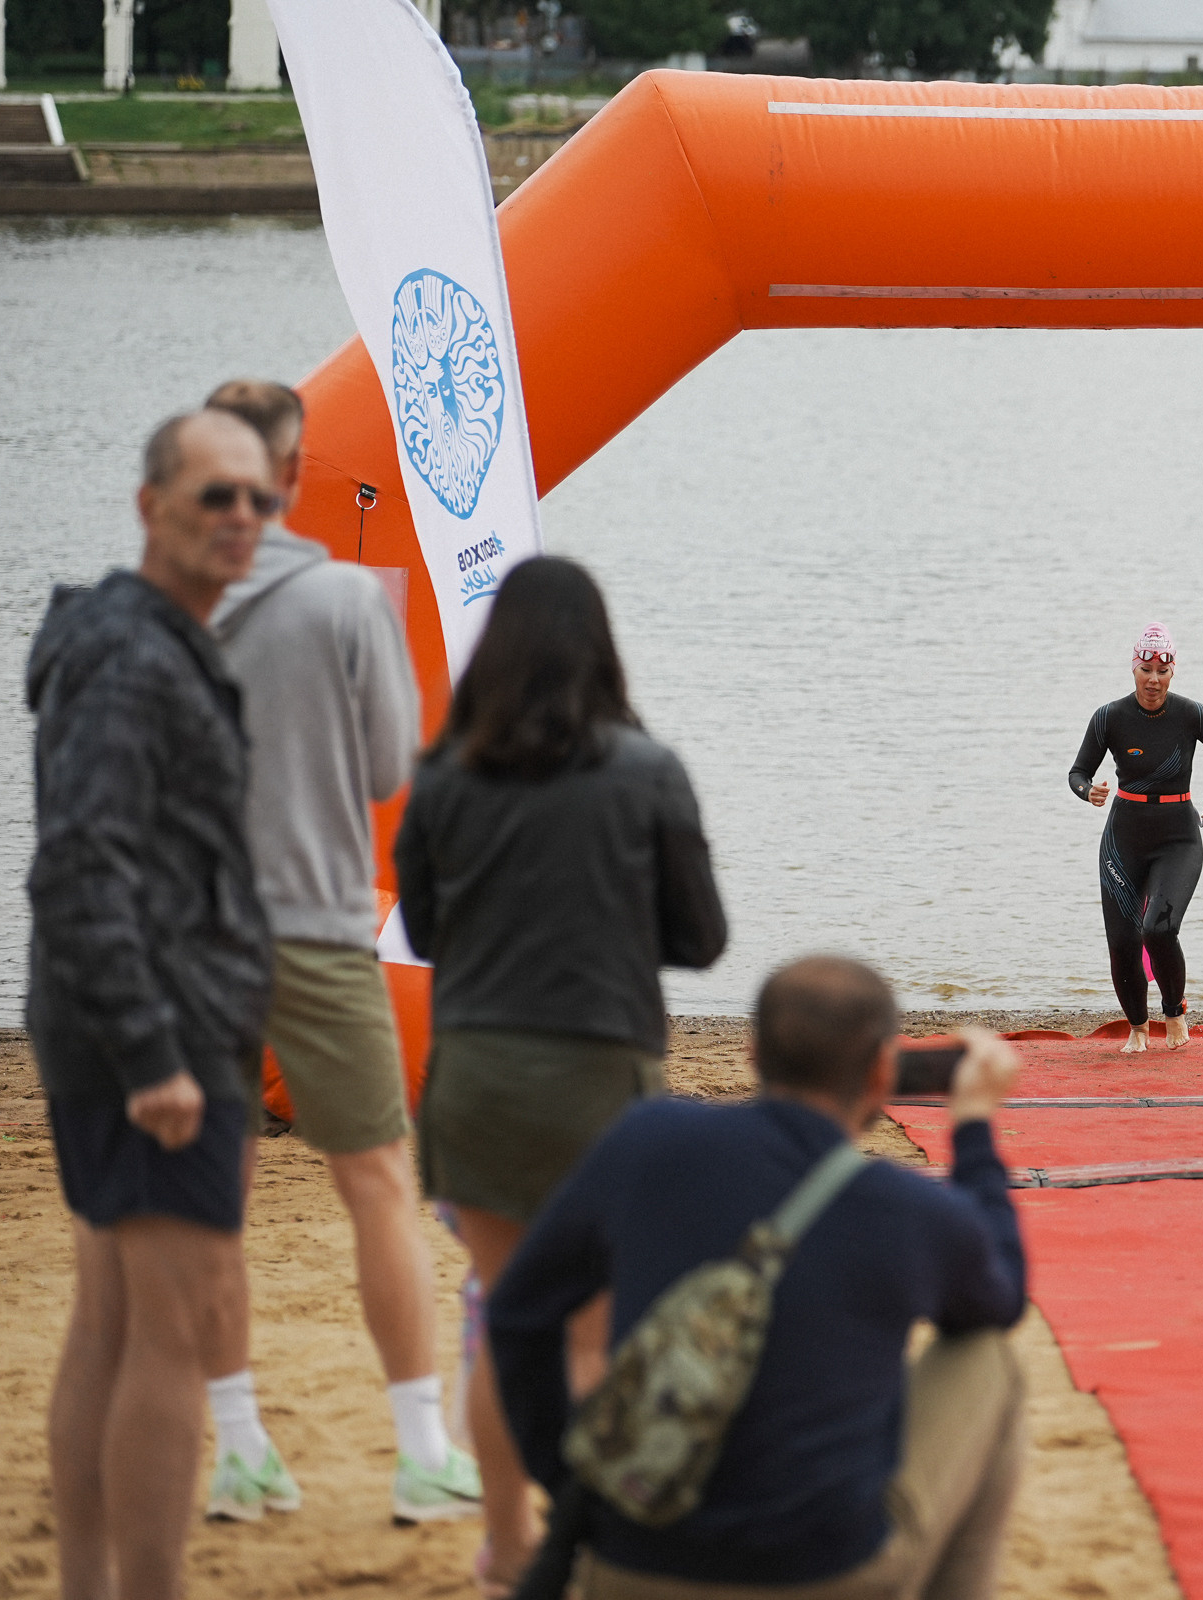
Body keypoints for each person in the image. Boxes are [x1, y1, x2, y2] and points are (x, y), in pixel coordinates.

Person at [488, 956, 1028, 1600]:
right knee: (988, 1359)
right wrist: (972, 1128)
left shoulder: (646, 1139)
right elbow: (1001, 1295)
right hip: (825, 1575)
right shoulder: (905, 1208)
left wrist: (572, 1482)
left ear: (751, 1054)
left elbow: (517, 1312)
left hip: (630, 1563)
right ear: (883, 1070)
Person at [395, 555, 729, 1594]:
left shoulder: (443, 774)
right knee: (592, 1333)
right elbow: (702, 937)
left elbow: (420, 926)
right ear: (601, 649)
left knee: (505, 1312)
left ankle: (505, 1542)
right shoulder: (647, 768)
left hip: (477, 1076)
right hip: (599, 1074)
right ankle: (589, 1549)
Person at [199, 379, 480, 1523]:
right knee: (375, 1184)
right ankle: (420, 1448)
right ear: (291, 466)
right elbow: (384, 773)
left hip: (192, 927)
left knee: (207, 1196)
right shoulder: (339, 601)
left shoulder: (152, 601)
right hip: (311, 922)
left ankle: (235, 1442)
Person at [28, 409, 276, 1600]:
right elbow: (81, 862)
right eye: (215, 495)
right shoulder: (132, 656)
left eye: (258, 500)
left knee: (116, 1322)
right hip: (153, 1039)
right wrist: (151, 1053)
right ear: (151, 507)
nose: (241, 518)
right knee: (163, 1330)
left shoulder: (153, 640)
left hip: (141, 1025)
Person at [1067, 623, 1203, 1053]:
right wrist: (1090, 791)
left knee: (1158, 930)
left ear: (1173, 671)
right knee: (1123, 940)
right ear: (1134, 668)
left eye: (1162, 672)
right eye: (1146, 670)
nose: (1153, 680)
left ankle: (1174, 1012)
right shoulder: (1109, 717)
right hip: (1123, 839)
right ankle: (1138, 1028)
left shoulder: (1191, 714)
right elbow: (1077, 772)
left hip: (1178, 838)